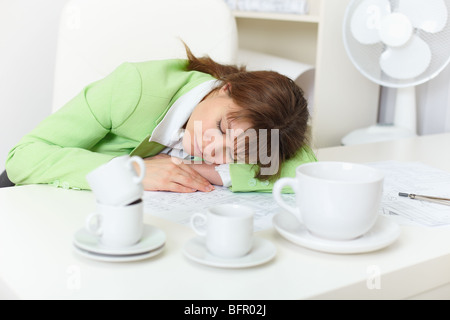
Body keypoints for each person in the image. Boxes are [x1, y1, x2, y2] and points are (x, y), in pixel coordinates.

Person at [4, 46, 316, 192]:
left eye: (231, 152)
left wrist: (213, 172)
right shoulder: (134, 87)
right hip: (27, 195)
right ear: (225, 88)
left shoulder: (261, 131)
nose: (211, 149)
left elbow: (307, 169)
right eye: (221, 128)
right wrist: (132, 172)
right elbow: (23, 158)